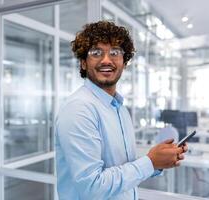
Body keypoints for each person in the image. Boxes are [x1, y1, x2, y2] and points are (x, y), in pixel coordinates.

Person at [55, 21, 188, 200]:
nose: (106, 60)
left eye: (115, 52)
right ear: (83, 63)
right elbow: (93, 187)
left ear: (124, 63)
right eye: (96, 52)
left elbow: (123, 168)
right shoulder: (79, 109)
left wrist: (158, 160)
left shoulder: (118, 108)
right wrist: (150, 162)